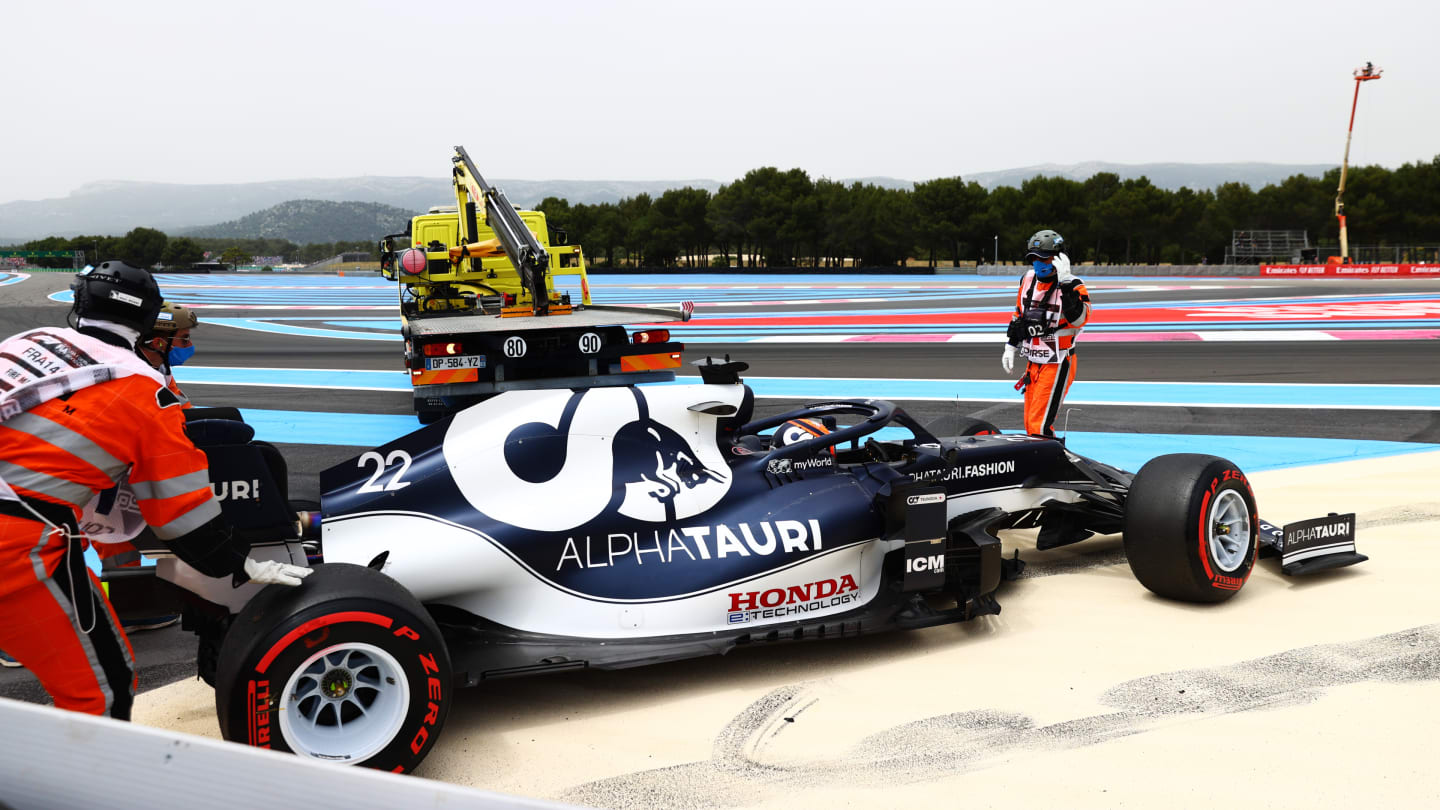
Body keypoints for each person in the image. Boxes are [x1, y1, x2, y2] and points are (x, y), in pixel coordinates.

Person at [0, 260, 311, 719]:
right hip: (15, 541)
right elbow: (182, 516)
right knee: (102, 688)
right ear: (148, 322)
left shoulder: (24, 343)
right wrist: (242, 563)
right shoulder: (144, 390)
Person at [1001, 230, 1091, 437]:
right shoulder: (1027, 279)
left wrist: (1066, 284)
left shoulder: (1074, 284)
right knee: (1030, 424)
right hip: (1033, 362)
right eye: (1033, 258)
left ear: (1060, 258)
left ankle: (1050, 465)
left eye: (1043, 258)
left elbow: (1080, 319)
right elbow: (1018, 315)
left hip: (1058, 362)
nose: (1038, 263)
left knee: (1039, 426)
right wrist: (1010, 345)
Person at [138, 301, 199, 408]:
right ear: (158, 343)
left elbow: (183, 406)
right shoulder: (136, 374)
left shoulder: (162, 367)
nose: (190, 344)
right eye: (185, 339)